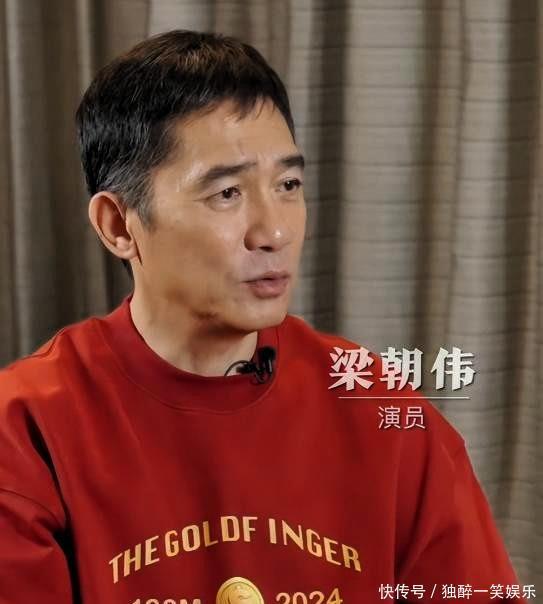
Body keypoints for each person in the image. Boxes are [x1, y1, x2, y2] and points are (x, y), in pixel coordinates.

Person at [0, 30, 526, 604]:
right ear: (118, 226)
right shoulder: (27, 430)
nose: (274, 231)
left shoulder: (380, 408)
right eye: (226, 193)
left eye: (288, 184)